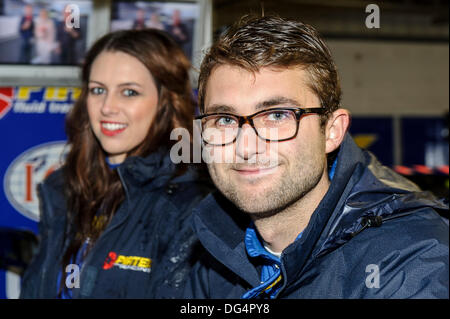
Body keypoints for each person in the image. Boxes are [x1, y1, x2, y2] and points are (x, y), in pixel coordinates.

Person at [183, 15, 449, 299]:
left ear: (332, 132)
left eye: (277, 115)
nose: (246, 148)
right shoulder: (212, 250)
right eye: (224, 119)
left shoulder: (413, 262)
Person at [20, 29, 211, 298]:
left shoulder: (191, 203)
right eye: (98, 90)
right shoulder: (64, 187)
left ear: (166, 101)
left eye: (129, 92)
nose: (108, 106)